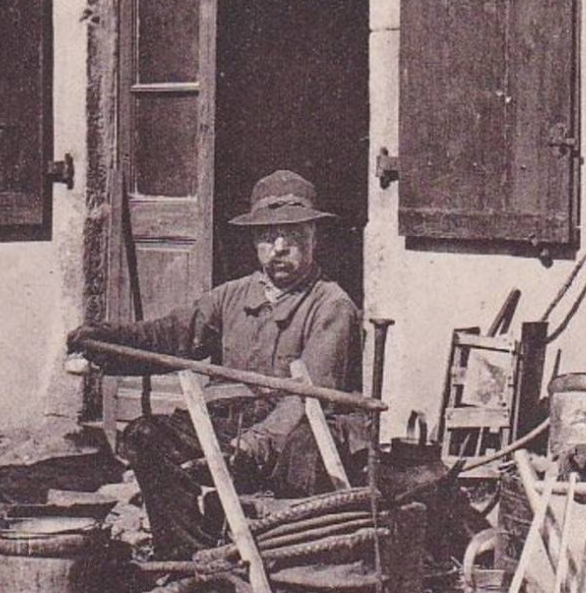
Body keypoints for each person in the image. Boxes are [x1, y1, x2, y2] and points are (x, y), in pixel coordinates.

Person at [68, 170, 366, 559]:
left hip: (296, 428)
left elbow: (308, 399)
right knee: (145, 436)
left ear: (314, 237)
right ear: (254, 241)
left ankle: (295, 564)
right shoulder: (233, 295)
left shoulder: (331, 305)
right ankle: (191, 559)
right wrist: (104, 341)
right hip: (232, 424)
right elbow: (171, 335)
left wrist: (256, 443)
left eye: (293, 234)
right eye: (266, 235)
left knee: (305, 450)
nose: (278, 247)